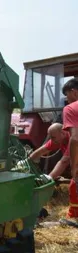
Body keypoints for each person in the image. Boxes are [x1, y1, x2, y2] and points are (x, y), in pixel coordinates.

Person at [61, 77, 78, 218]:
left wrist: (74, 167)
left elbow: (75, 137)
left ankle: (73, 216)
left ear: (74, 93)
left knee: (74, 184)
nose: (67, 99)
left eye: (67, 95)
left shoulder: (70, 109)